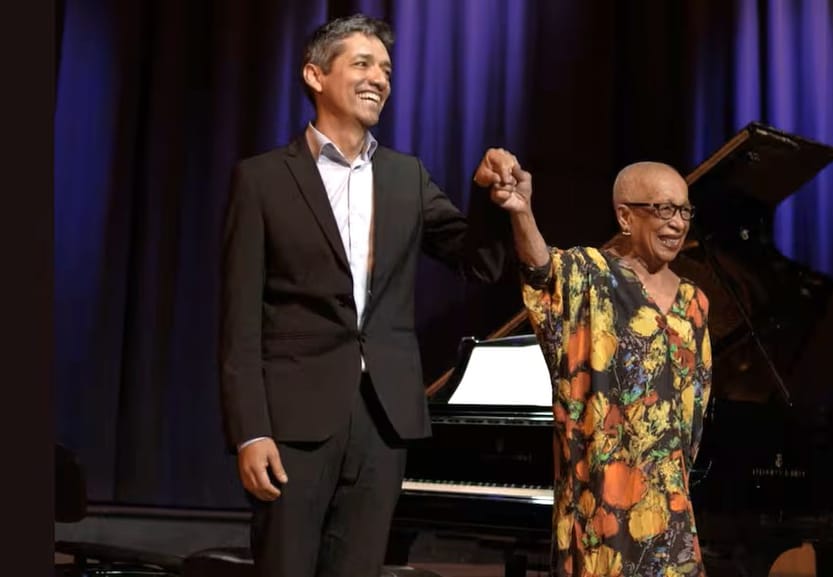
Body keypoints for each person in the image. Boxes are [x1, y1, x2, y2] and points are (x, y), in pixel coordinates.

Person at [219, 14, 516, 577]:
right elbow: (238, 320)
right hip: (293, 422)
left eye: (385, 68)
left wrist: (487, 199)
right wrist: (249, 431)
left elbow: (477, 262)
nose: (379, 77)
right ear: (315, 75)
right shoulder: (261, 180)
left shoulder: (407, 177)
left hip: (384, 418)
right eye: (362, 63)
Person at [475, 155, 713, 577]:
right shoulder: (592, 276)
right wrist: (522, 211)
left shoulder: (694, 302)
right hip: (602, 503)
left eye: (684, 210)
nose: (677, 222)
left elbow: (696, 405)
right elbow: (542, 272)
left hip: (671, 510)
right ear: (625, 216)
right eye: (663, 209)